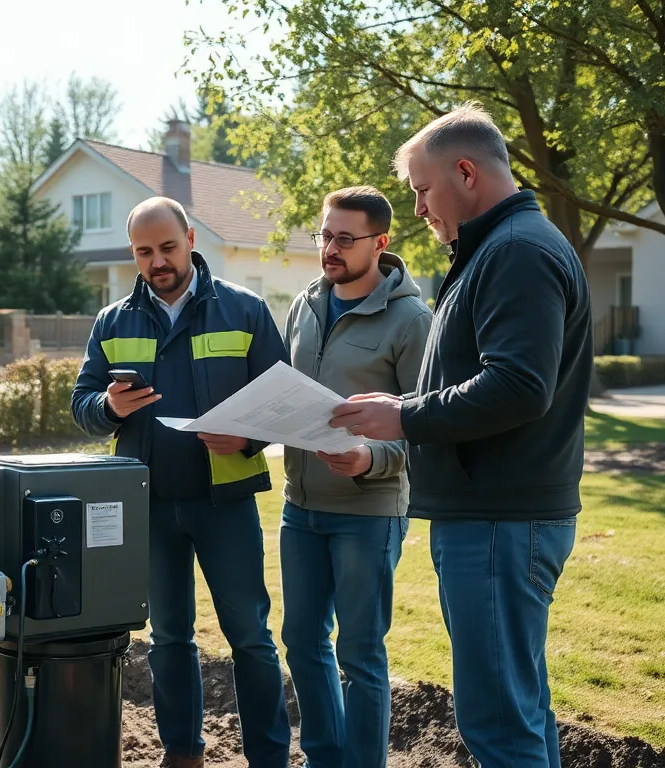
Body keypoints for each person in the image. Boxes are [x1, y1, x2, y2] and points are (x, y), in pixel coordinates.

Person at [330, 103, 592, 767]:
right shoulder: (501, 248)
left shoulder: (516, 252)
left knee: (499, 725)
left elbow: (518, 386)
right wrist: (405, 403)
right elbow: (489, 377)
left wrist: (405, 417)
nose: (418, 208)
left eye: (423, 190)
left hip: (500, 523)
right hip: (498, 518)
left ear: (467, 173)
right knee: (519, 712)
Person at [72, 196, 291, 768]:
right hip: (147, 505)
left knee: (250, 636)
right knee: (168, 637)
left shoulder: (244, 309)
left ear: (191, 239)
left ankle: (269, 757)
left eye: (168, 247)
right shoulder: (112, 321)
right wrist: (108, 407)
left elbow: (282, 402)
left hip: (226, 504)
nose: (158, 261)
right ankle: (182, 752)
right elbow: (82, 405)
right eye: (144, 251)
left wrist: (245, 438)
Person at [280, 186, 431, 768]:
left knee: (360, 655)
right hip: (300, 507)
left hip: (368, 514)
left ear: (380, 242)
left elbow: (431, 427)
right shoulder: (304, 305)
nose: (330, 249)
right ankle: (323, 759)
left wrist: (372, 458)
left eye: (345, 238)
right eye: (325, 235)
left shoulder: (412, 320)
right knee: (302, 642)